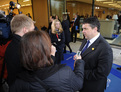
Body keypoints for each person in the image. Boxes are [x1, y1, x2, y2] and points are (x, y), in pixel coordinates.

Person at [9, 30, 85, 92]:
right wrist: (79, 62)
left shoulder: (18, 82)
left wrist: (51, 55)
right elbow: (78, 84)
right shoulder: (65, 72)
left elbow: (42, 66)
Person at [74, 17, 113, 92]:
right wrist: (78, 58)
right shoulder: (86, 39)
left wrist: (80, 71)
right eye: (82, 29)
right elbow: (83, 53)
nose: (83, 31)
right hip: (82, 82)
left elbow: (101, 73)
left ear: (95, 29)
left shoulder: (105, 48)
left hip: (93, 86)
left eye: (86, 29)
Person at [4, 14, 35, 86]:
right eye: (32, 30)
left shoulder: (10, 45)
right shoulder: (23, 48)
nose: (33, 33)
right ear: (25, 30)